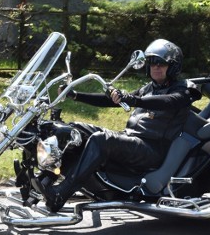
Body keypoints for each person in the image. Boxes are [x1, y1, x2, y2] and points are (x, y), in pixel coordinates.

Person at [38, 39, 201, 212]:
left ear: (173, 66)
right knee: (74, 130)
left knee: (102, 140)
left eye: (161, 63)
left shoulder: (183, 89)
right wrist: (76, 95)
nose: (156, 67)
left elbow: (169, 101)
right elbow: (111, 102)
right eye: (152, 62)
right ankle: (46, 178)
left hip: (152, 150)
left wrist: (134, 100)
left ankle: (61, 193)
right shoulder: (148, 89)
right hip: (131, 140)